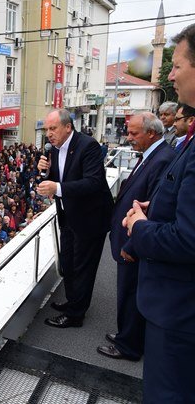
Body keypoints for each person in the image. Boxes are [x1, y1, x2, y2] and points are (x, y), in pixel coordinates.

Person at [123, 23, 195, 402]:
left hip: (179, 314)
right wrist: (160, 205)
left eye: (178, 65)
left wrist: (139, 226)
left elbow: (188, 239)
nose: (169, 73)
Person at [97, 112, 175, 362]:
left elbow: (155, 209)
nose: (128, 137)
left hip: (135, 243)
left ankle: (128, 346)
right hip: (132, 238)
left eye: (133, 133)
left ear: (151, 133)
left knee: (130, 293)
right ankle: (126, 335)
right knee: (129, 292)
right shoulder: (153, 156)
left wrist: (132, 244)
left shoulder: (162, 159)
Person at [37, 108, 113, 328]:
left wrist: (57, 186)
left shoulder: (87, 146)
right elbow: (55, 179)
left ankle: (75, 315)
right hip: (69, 215)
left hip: (90, 219)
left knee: (83, 267)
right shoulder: (54, 149)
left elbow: (93, 182)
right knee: (69, 262)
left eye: (53, 128)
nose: (49, 134)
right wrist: (45, 172)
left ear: (68, 127)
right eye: (46, 129)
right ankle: (72, 301)